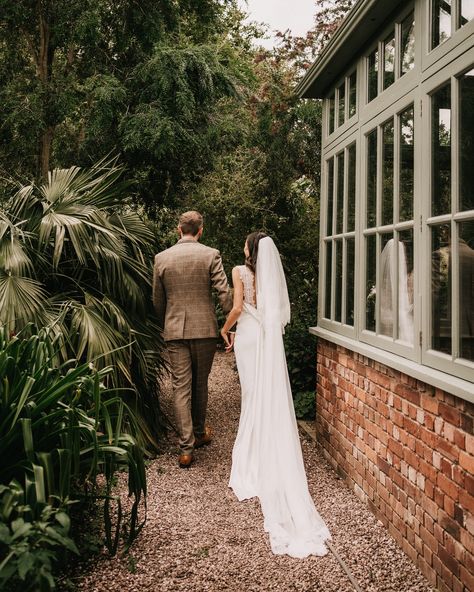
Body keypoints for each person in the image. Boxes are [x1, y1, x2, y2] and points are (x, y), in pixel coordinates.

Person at [220, 232, 331, 558]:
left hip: (249, 335)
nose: (242, 247)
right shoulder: (266, 275)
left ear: (249, 249)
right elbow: (276, 312)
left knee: (252, 395)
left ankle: (254, 459)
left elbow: (238, 307)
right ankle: (268, 449)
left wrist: (225, 329)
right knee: (262, 395)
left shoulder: (239, 271)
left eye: (244, 243)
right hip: (265, 337)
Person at [153, 211, 232, 468]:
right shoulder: (211, 254)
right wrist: (230, 323)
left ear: (179, 230)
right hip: (205, 329)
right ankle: (199, 434)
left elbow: (157, 301)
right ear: (201, 230)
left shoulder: (161, 258)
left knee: (180, 387)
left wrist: (166, 323)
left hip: (174, 330)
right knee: (200, 384)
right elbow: (223, 292)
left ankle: (185, 448)